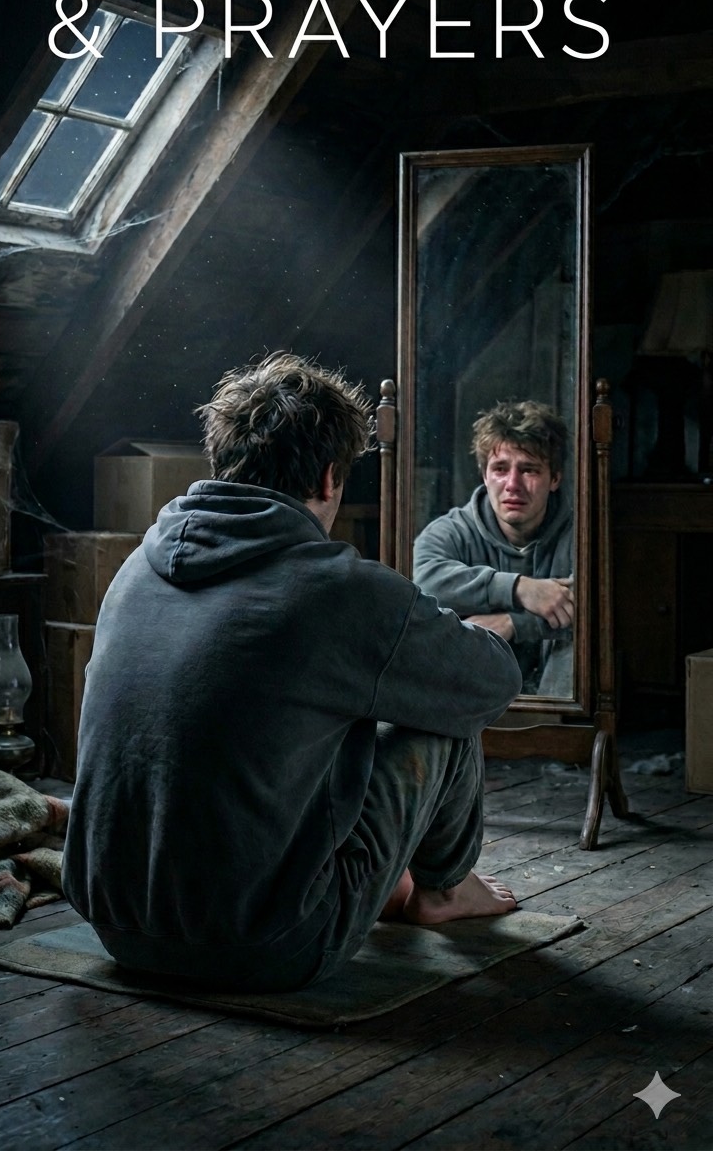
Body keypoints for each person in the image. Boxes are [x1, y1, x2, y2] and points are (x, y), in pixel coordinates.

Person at [62, 352, 521, 994]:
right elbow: (489, 685)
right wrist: (475, 632)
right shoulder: (338, 590)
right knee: (443, 707)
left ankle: (374, 881)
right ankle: (444, 891)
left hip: (114, 926)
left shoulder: (136, 567)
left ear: (222, 460)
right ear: (330, 477)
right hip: (270, 943)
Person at [413, 400, 574, 697]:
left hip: (556, 700)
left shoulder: (578, 536)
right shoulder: (449, 532)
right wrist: (520, 589)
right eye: (500, 468)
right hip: (471, 697)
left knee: (575, 648)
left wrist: (513, 623)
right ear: (484, 475)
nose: (513, 484)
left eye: (529, 470)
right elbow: (424, 583)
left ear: (555, 478)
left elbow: (587, 608)